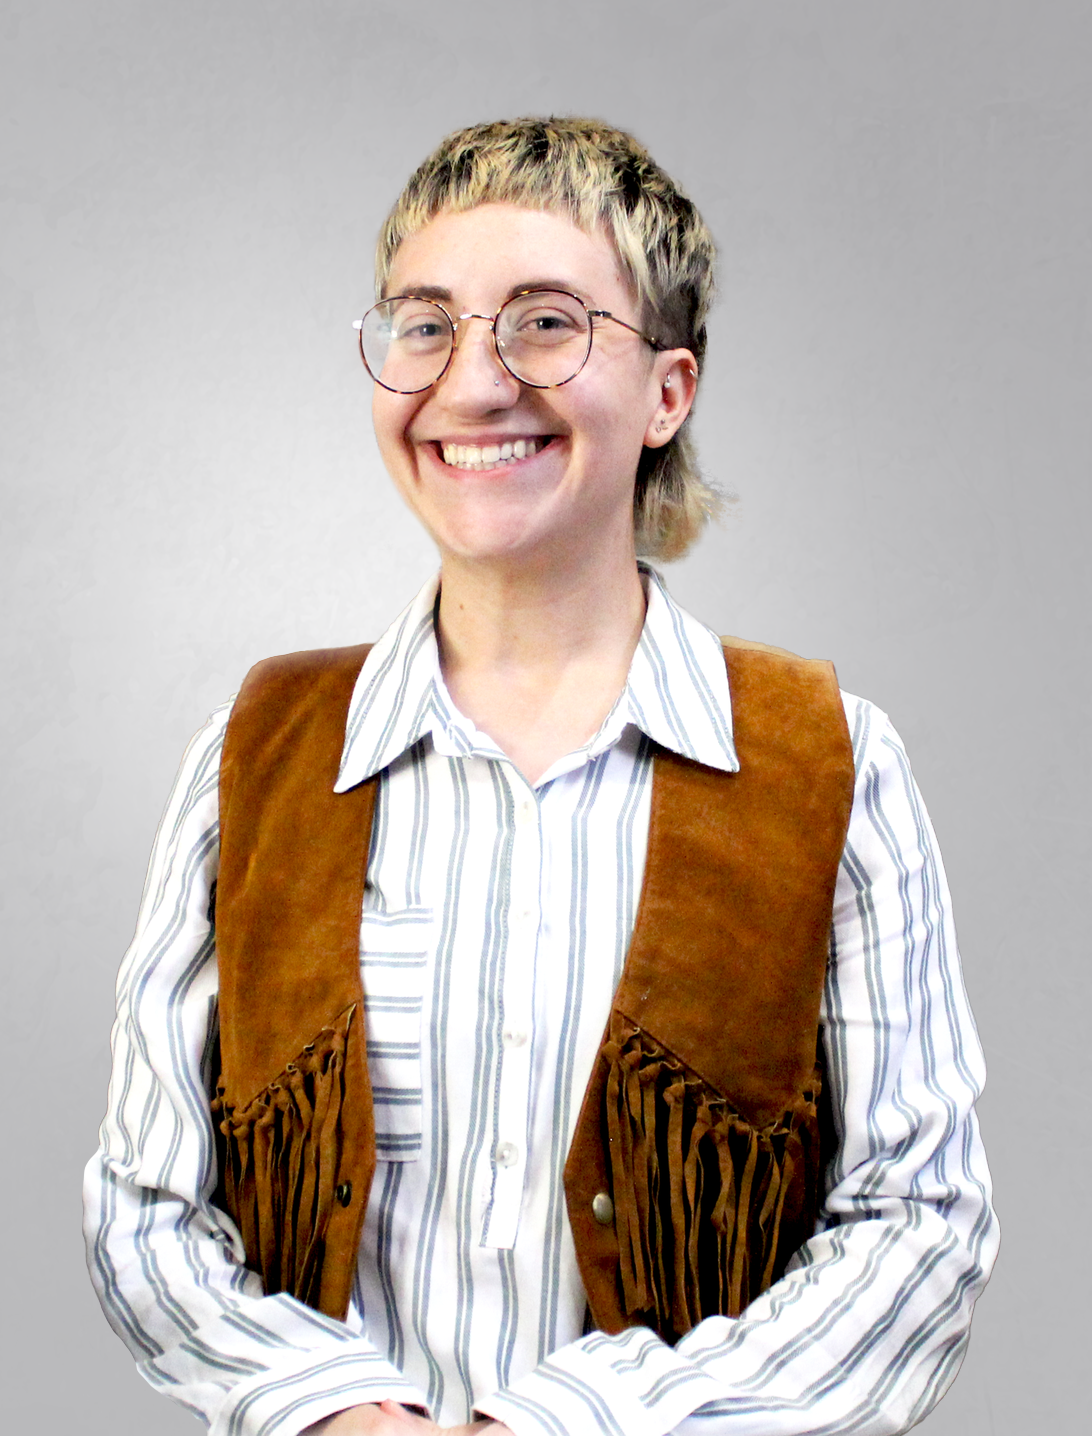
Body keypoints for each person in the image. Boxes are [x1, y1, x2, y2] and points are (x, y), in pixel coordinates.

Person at [84, 117, 997, 1436]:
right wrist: (329, 1410)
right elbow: (146, 1209)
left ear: (670, 393)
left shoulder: (832, 761)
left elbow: (920, 1227)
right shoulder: (255, 756)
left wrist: (581, 1425)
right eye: (425, 325)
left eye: (547, 324)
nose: (472, 385)